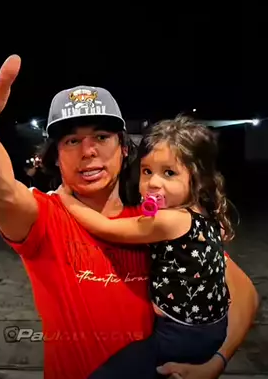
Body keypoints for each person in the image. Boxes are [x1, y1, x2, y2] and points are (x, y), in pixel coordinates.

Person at [0, 55, 259, 379]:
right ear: (56, 158)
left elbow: (243, 292)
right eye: (72, 140)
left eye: (102, 137)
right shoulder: (45, 216)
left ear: (124, 148)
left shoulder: (159, 221)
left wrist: (216, 362)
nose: (88, 151)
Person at [58, 115, 235, 378]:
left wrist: (65, 199)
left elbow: (104, 228)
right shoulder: (203, 212)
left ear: (198, 179)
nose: (153, 182)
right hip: (214, 327)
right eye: (147, 171)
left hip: (181, 335)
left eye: (169, 173)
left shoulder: (170, 221)